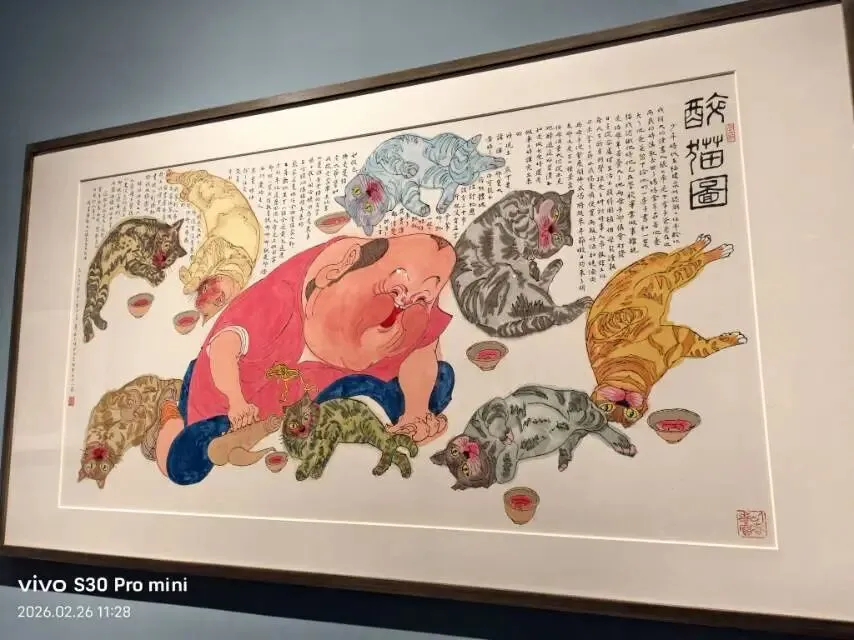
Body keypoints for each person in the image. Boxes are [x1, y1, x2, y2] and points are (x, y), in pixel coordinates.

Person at [155, 233, 457, 485]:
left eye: (422, 299)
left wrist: (416, 412)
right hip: (232, 396)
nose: (404, 306)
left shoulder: (403, 319)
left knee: (438, 386)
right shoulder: (279, 299)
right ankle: (171, 415)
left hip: (312, 400)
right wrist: (235, 400)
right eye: (397, 290)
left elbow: (423, 345)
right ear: (340, 267)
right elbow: (224, 347)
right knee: (184, 464)